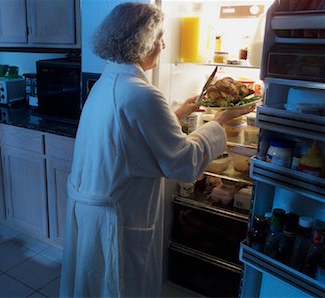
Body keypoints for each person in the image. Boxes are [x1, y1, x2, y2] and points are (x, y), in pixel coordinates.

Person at [59, 2, 255, 297]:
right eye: (160, 36)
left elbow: (130, 137)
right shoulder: (143, 94)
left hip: (95, 209)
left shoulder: (108, 82)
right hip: (119, 216)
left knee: (94, 284)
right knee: (120, 286)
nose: (164, 43)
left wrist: (178, 112)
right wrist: (219, 122)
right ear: (143, 42)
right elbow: (184, 163)